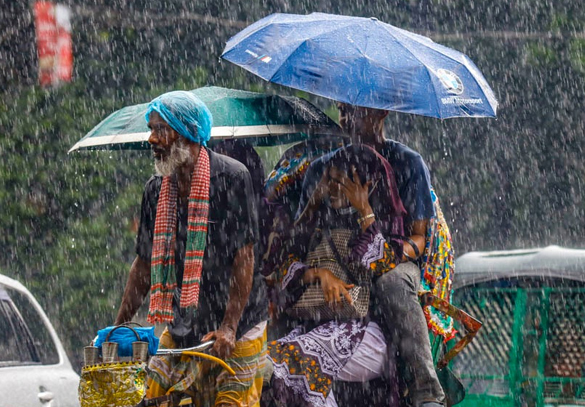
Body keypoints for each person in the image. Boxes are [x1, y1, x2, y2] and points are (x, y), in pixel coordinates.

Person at [114, 91, 268, 407]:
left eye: (160, 129)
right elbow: (144, 265)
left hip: (239, 324)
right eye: (150, 128)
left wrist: (228, 326)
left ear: (186, 133)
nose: (151, 139)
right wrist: (118, 327)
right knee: (148, 398)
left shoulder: (232, 177)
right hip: (185, 324)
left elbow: (244, 255)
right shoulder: (155, 190)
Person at [297, 103, 445, 407]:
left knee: (390, 281)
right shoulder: (321, 167)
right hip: (335, 259)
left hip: (395, 259)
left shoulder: (408, 163)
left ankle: (426, 391)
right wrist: (315, 202)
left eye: (357, 111)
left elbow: (419, 238)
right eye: (342, 110)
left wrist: (380, 244)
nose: (347, 119)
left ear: (382, 113)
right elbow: (296, 242)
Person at [263, 145, 407, 407]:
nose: (330, 187)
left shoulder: (378, 225)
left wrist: (364, 210)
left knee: (295, 358)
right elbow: (284, 267)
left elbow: (386, 268)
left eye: (339, 182)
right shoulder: (320, 219)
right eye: (328, 179)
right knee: (269, 363)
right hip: (317, 328)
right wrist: (319, 274)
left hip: (366, 334)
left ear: (367, 185)